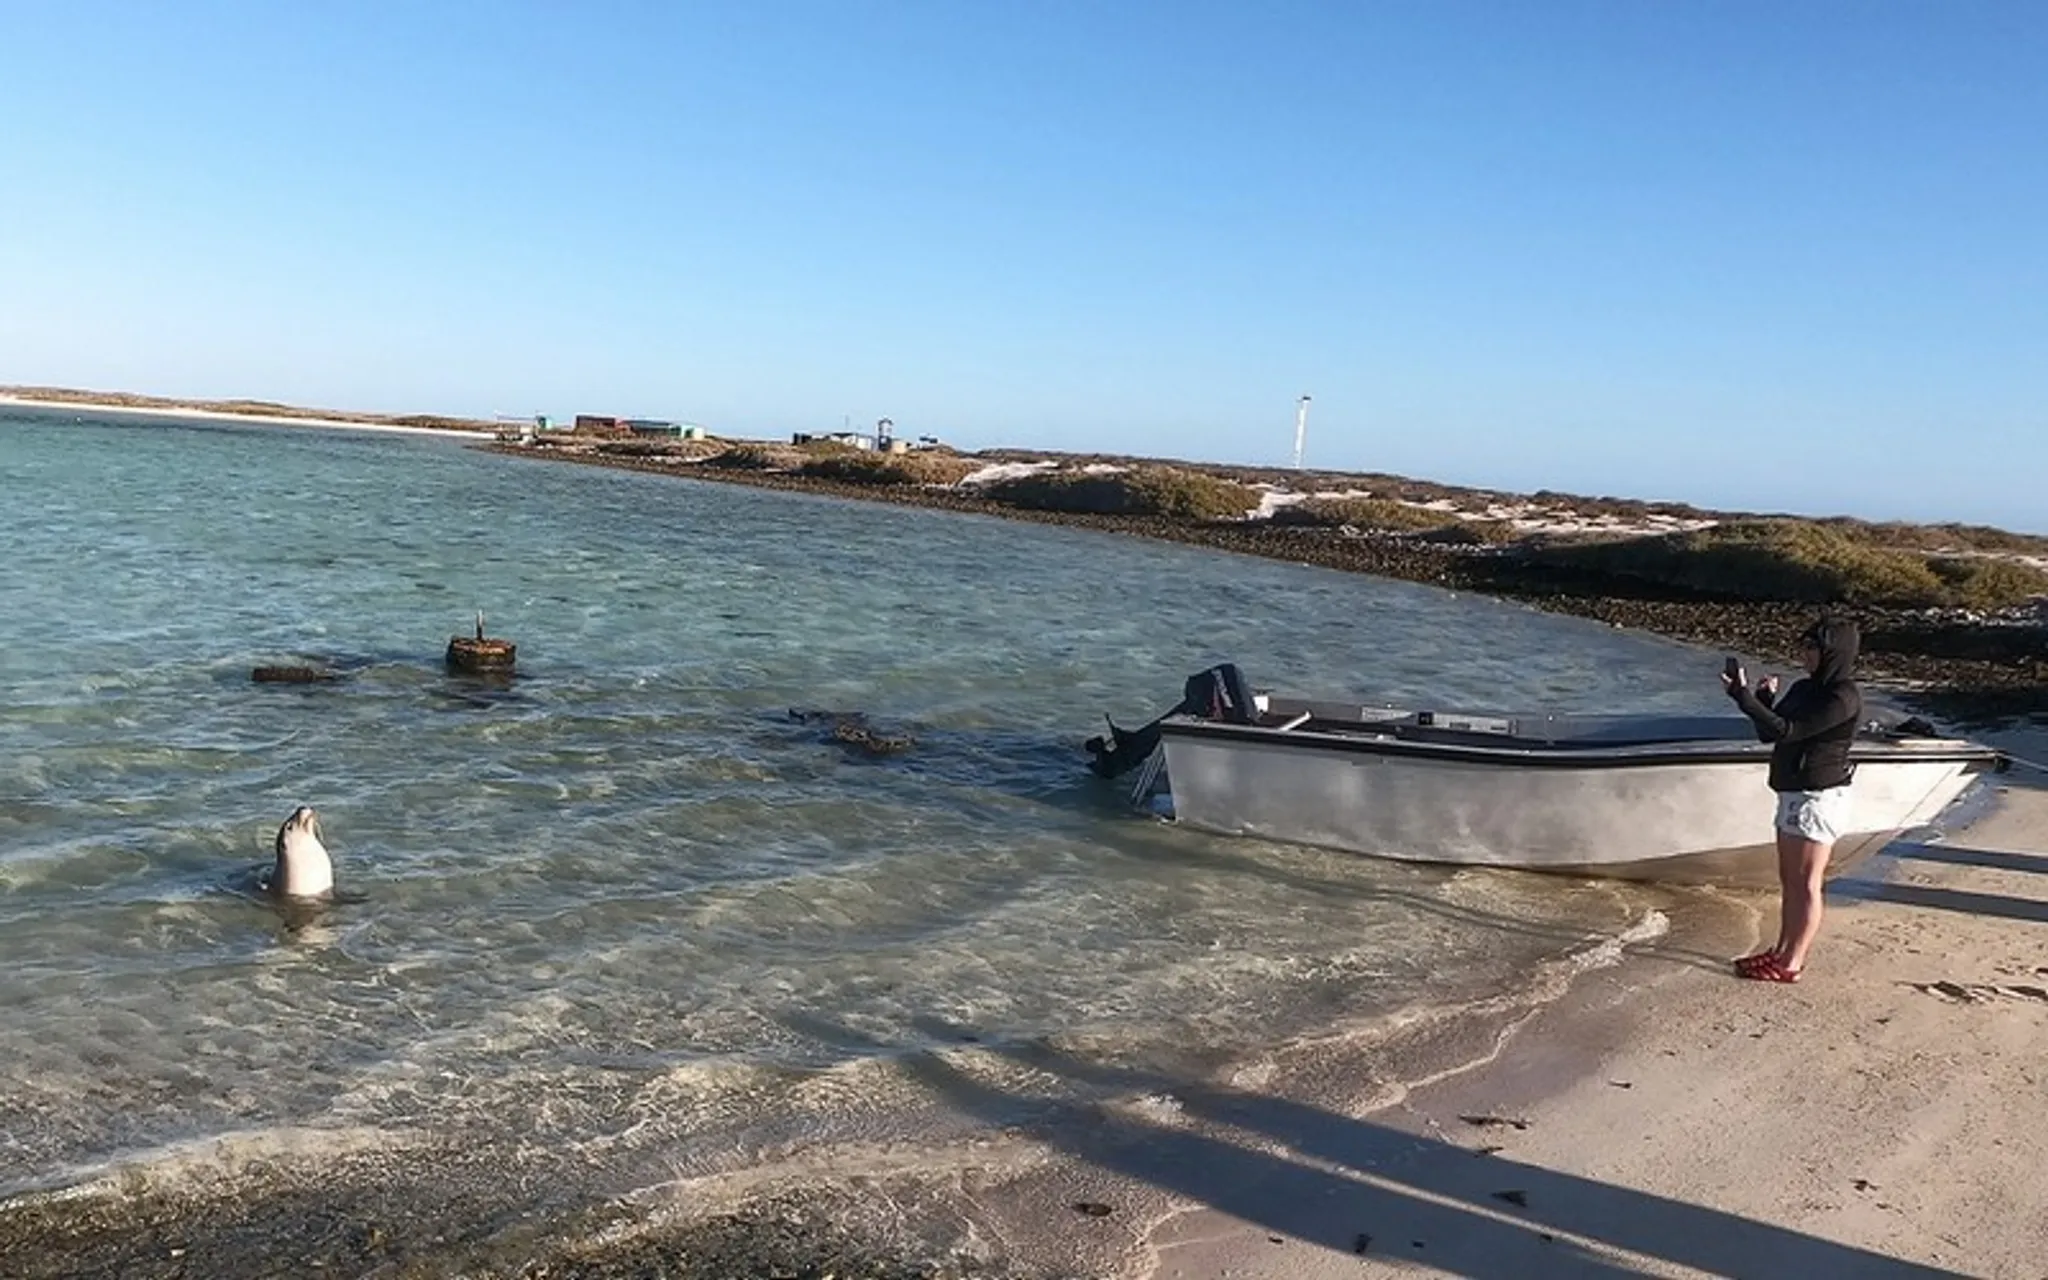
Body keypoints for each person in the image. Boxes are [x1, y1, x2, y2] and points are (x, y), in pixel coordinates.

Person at [1720, 616, 1863, 983]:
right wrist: (1762, 700)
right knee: (1789, 880)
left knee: (1806, 882)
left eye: (1812, 648)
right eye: (1803, 647)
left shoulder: (1842, 696)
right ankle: (1781, 950)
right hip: (1791, 793)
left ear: (1833, 652)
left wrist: (1744, 697)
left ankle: (1792, 962)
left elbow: (1791, 730)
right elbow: (1772, 734)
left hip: (1819, 797)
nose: (1805, 654)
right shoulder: (1803, 688)